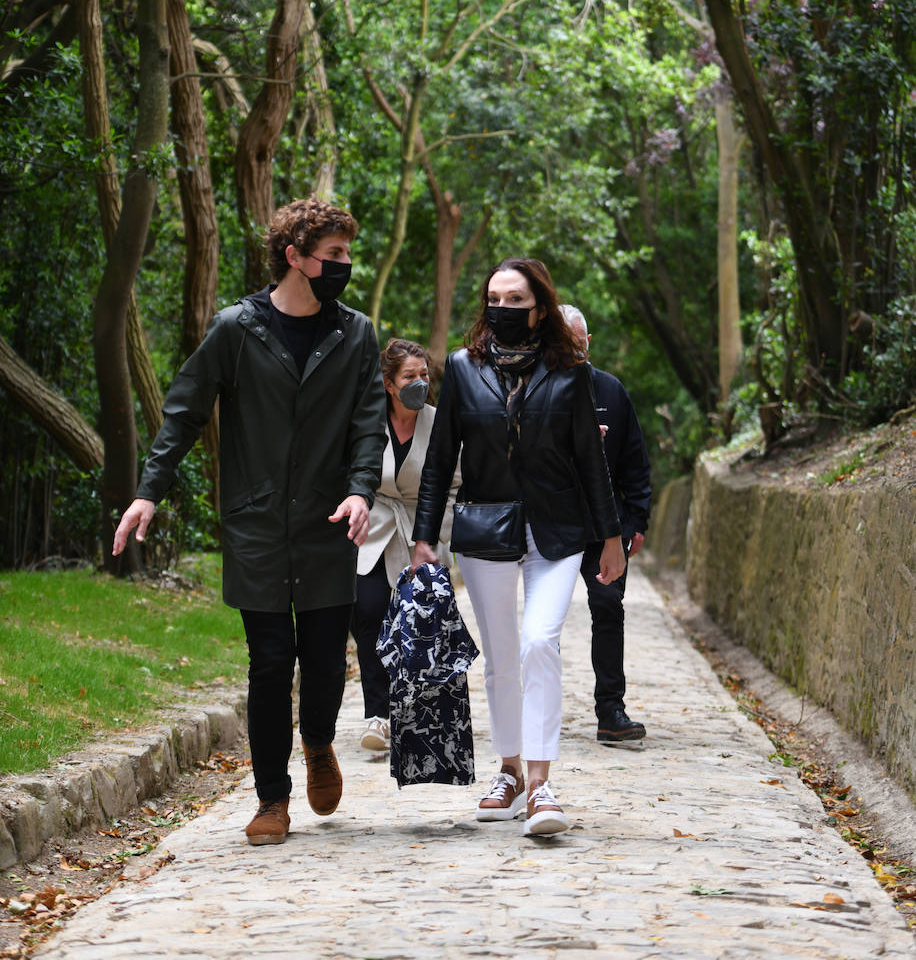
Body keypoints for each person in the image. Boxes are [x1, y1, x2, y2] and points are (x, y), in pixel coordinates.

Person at [112, 197, 387, 847]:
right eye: (336, 254)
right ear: (295, 257)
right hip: (257, 523)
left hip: (328, 524)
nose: (346, 264)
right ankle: (272, 798)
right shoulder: (236, 329)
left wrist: (360, 492)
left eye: (348, 253)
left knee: (322, 661)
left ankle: (318, 742)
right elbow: (182, 412)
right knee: (268, 663)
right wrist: (149, 492)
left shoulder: (356, 334)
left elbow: (369, 425)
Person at [411, 257, 626, 836]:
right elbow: (439, 461)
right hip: (486, 531)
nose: (502, 310)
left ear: (539, 310)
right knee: (502, 656)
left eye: (515, 301)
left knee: (539, 643)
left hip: (557, 533)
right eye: (494, 300)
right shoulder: (460, 369)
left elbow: (591, 463)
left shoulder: (571, 372)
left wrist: (611, 538)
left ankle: (540, 784)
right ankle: (506, 773)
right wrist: (423, 538)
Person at [351, 337, 458, 754]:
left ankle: (413, 709)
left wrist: (431, 537)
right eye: (409, 376)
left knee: (418, 626)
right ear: (389, 384)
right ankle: (377, 714)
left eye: (424, 375)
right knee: (369, 613)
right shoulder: (366, 420)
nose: (420, 382)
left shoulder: (440, 422)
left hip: (423, 531)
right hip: (373, 530)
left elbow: (453, 484)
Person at [559, 305, 653, 745]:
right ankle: (537, 709)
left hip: (604, 529)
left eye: (579, 342)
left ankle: (610, 710)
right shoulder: (533, 391)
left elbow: (635, 461)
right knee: (545, 621)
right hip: (552, 526)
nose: (573, 350)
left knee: (608, 608)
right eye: (565, 342)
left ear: (588, 342)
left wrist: (636, 520)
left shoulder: (611, 391)